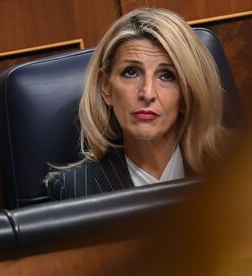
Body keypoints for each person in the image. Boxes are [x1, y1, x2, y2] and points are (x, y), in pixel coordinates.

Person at [45, 8, 228, 199]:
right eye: (131, 72)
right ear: (106, 87)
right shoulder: (74, 190)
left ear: (187, 93)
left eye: (167, 76)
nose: (147, 93)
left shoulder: (237, 167)